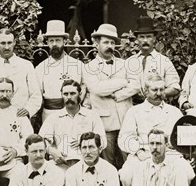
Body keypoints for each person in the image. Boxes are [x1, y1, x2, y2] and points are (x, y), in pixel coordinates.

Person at [118, 75, 185, 186]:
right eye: (155, 90)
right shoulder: (134, 111)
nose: (159, 93)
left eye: (162, 89)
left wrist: (175, 144)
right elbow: (125, 137)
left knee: (188, 173)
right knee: (126, 176)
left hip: (169, 153)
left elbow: (183, 136)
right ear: (145, 91)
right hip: (142, 153)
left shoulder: (174, 112)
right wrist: (138, 151)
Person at [82, 23, 138, 168]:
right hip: (105, 124)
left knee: (130, 162)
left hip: (126, 120)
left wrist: (119, 95)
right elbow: (98, 89)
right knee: (108, 163)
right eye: (106, 42)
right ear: (97, 43)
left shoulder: (124, 64)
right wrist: (123, 81)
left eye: (112, 43)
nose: (110, 46)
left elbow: (136, 85)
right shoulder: (89, 68)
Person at [39, 79, 106, 170]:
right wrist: (52, 151)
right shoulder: (53, 117)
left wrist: (84, 142)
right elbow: (41, 141)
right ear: (61, 95)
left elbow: (103, 141)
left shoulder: (92, 116)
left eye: (72, 93)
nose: (69, 97)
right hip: (60, 163)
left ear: (80, 94)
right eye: (65, 94)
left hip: (86, 163)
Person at [35, 20, 86, 122]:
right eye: (51, 41)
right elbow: (37, 94)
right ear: (47, 42)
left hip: (73, 114)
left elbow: (84, 87)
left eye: (58, 40)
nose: (54, 44)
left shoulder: (78, 65)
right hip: (50, 115)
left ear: (64, 41)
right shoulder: (41, 68)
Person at [0, 28, 41, 119]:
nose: (7, 47)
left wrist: (28, 110)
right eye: (3, 43)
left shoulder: (26, 66)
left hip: (22, 119)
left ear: (14, 42)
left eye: (9, 43)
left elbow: (36, 95)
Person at [125, 16, 180, 104]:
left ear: (154, 38)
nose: (145, 40)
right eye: (142, 37)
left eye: (149, 36)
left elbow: (175, 88)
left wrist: (155, 94)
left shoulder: (164, 61)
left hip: (157, 107)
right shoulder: (129, 62)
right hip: (133, 108)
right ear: (137, 39)